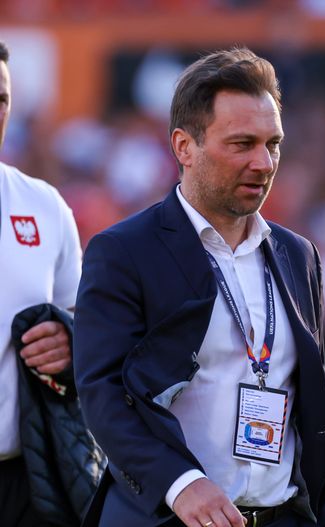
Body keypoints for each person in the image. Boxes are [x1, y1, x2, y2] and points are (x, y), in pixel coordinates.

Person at [73, 47, 325, 527]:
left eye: (273, 143)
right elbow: (103, 394)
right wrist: (181, 483)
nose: (264, 162)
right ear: (184, 147)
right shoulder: (124, 251)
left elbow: (308, 408)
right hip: (167, 517)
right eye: (242, 144)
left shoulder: (298, 255)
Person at [0, 40, 86, 526]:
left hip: (23, 475)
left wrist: (67, 340)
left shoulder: (43, 205)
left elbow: (82, 320)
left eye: (2, 99)